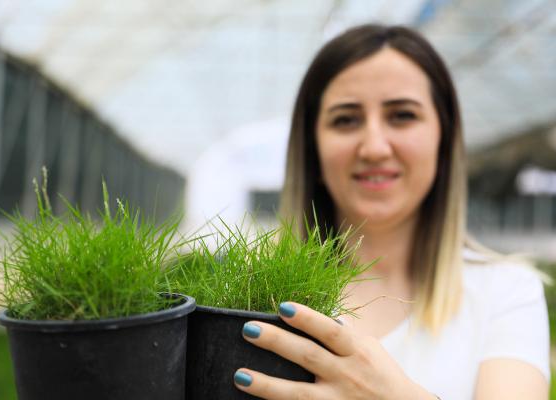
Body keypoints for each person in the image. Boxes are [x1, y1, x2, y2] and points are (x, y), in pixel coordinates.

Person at [232, 24, 550, 399]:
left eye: (402, 115)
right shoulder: (253, 292)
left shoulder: (505, 292)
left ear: (443, 141)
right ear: (312, 149)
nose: (375, 147)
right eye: (346, 119)